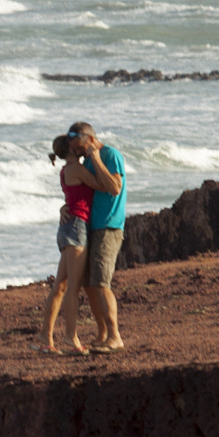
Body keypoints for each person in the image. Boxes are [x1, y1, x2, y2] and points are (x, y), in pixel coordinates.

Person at [68, 121, 127, 352]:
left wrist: (96, 159)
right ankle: (103, 333)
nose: (79, 153)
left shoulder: (109, 155)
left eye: (80, 148)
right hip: (91, 225)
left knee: (102, 282)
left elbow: (115, 187)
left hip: (109, 226)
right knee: (90, 284)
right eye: (75, 150)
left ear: (91, 140)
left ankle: (115, 336)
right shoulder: (89, 162)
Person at [35, 133, 95, 355]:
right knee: (72, 287)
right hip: (77, 226)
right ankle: (71, 337)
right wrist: (94, 155)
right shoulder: (77, 169)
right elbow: (102, 185)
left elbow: (74, 196)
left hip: (67, 227)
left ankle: (45, 335)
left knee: (60, 285)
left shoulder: (65, 171)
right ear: (71, 148)